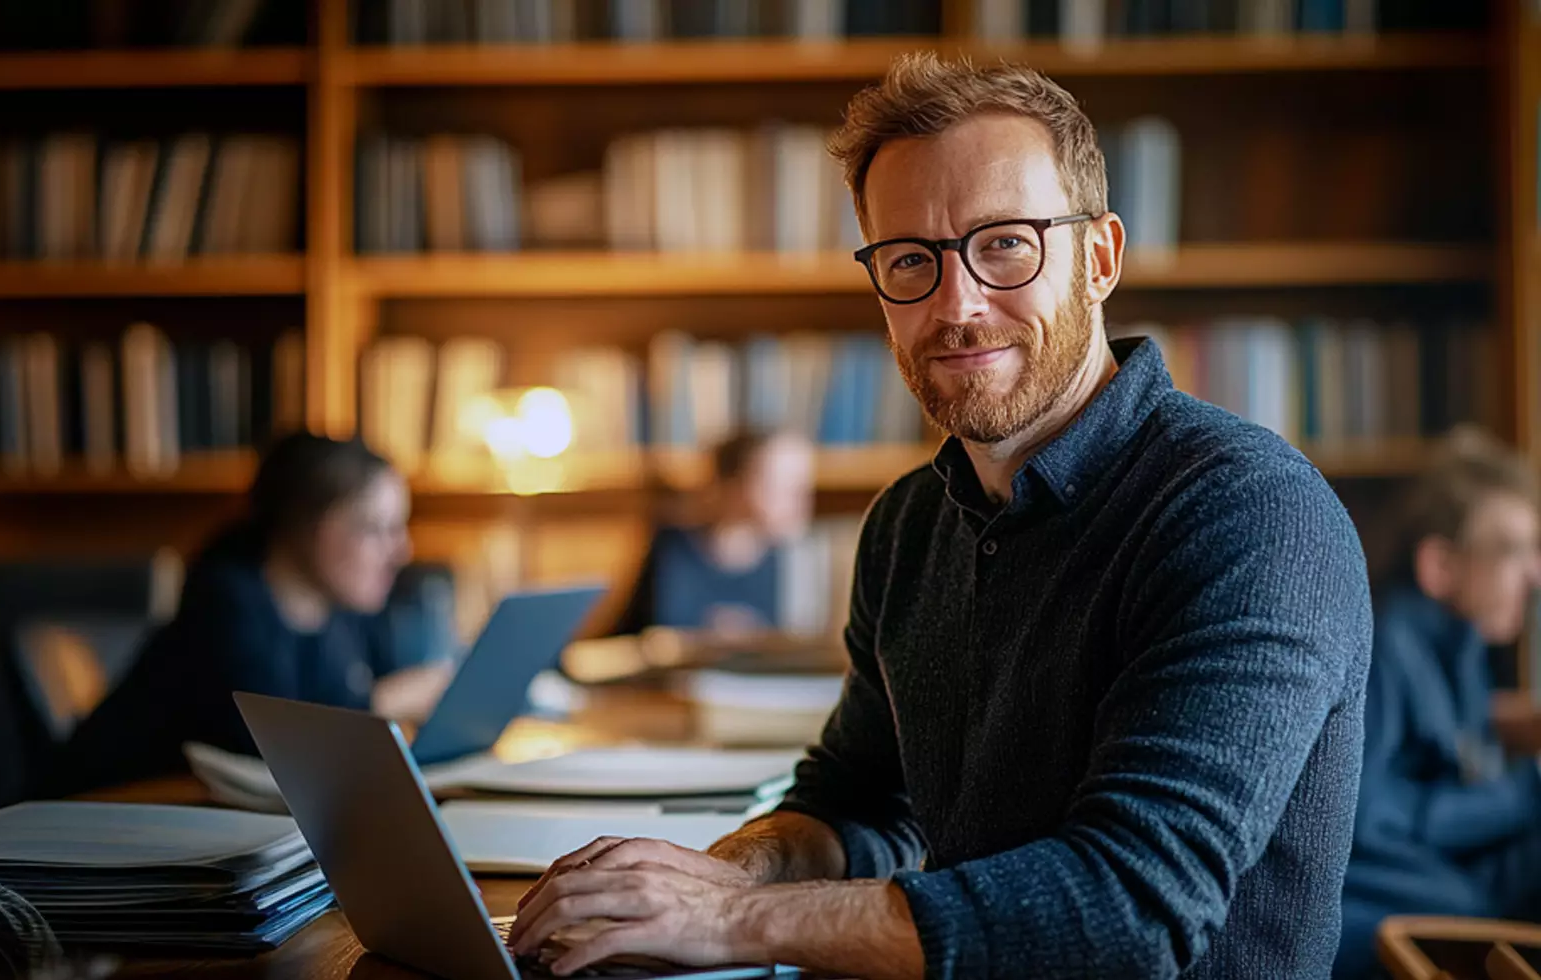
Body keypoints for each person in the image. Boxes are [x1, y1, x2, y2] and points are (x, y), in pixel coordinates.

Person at [507, 52, 1372, 980]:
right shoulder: (909, 525)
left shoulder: (1249, 513)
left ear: (1101, 259)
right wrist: (706, 878)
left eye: (1005, 243)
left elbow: (1128, 911)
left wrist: (730, 920)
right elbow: (858, 802)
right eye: (912, 259)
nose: (956, 305)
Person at [53, 432, 451, 794]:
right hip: (103, 821)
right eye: (376, 529)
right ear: (309, 525)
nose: (402, 551)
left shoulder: (340, 616)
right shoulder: (224, 607)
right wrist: (395, 698)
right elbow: (276, 751)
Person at [1336, 428, 1541, 979]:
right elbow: (1367, 821)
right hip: (1380, 903)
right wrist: (1530, 788)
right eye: (1513, 551)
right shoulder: (1385, 646)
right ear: (1439, 567)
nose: (1534, 574)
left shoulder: (1463, 647)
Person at [609, 428, 815, 640]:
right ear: (733, 485)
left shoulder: (791, 562)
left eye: (801, 487)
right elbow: (643, 634)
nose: (799, 503)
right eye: (779, 486)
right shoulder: (673, 548)